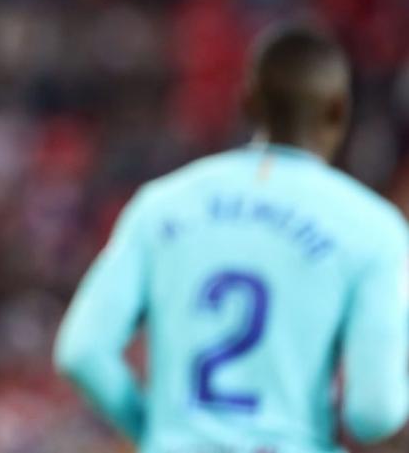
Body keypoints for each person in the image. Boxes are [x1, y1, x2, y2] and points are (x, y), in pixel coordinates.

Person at [54, 23, 409, 450]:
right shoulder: (373, 228)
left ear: (248, 103)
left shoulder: (161, 204)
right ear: (338, 112)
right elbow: (374, 411)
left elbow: (81, 352)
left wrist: (153, 429)